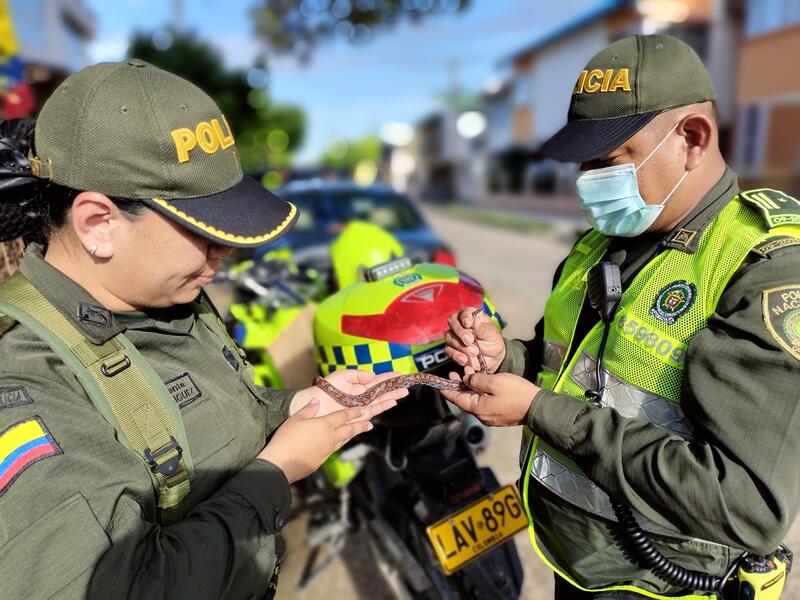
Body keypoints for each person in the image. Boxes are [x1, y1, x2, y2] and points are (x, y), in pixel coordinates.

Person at [0, 60, 407, 599]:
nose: (226, 253)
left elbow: (199, 420)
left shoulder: (167, 295)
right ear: (98, 225)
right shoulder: (26, 387)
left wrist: (291, 408)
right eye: (202, 231)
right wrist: (277, 471)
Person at [443, 34, 800, 599]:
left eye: (608, 160)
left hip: (663, 583)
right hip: (581, 567)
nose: (586, 180)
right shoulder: (606, 241)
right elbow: (573, 368)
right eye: (583, 161)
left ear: (691, 139)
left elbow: (745, 504)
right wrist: (502, 357)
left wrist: (539, 411)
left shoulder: (764, 270)